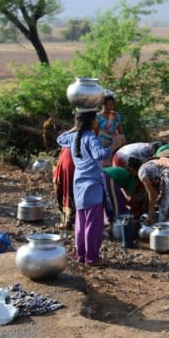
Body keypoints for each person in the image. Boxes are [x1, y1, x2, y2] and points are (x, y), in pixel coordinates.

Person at [57, 110, 112, 266]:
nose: (97, 122)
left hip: (78, 185)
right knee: (93, 224)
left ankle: (81, 255)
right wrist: (113, 145)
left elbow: (59, 138)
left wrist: (75, 128)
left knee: (81, 222)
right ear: (92, 122)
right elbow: (99, 155)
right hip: (93, 186)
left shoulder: (73, 137)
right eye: (96, 119)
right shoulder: (91, 138)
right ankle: (92, 258)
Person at [137, 157, 169, 224]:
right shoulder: (155, 163)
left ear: (132, 170)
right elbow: (157, 189)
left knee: (164, 210)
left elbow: (152, 194)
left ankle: (163, 229)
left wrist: (150, 213)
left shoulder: (141, 171)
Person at [97, 92, 125, 166]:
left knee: (115, 162)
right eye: (108, 105)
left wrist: (123, 141)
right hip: (102, 143)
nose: (110, 107)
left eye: (112, 105)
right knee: (104, 164)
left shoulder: (115, 115)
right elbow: (96, 131)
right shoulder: (97, 117)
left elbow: (120, 129)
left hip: (114, 142)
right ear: (103, 105)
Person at [52, 146, 76, 230]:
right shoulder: (88, 138)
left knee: (65, 192)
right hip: (73, 165)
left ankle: (66, 220)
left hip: (66, 164)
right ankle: (70, 221)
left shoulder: (68, 141)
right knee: (72, 193)